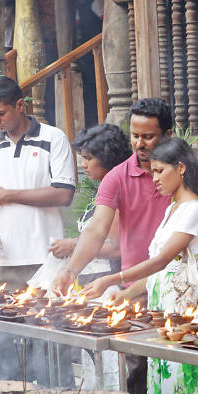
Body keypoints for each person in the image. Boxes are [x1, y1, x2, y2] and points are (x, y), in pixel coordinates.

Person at [51, 97, 175, 394]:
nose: (140, 144)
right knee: (135, 379)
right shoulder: (119, 175)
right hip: (135, 296)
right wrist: (71, 269)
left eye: (149, 136)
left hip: (179, 292)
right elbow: (96, 230)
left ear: (166, 135)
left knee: (178, 384)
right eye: (135, 135)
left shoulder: (182, 175)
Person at [80, 137, 198, 394]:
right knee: (163, 387)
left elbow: (163, 260)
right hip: (163, 312)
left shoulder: (194, 209)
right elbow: (161, 270)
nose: (153, 179)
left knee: (184, 389)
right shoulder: (172, 209)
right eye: (151, 172)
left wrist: (112, 279)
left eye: (159, 171)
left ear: (180, 168)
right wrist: (127, 293)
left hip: (185, 313)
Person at [0, 76, 75, 290]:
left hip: (46, 257)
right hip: (0, 260)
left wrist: (9, 195)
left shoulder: (54, 138)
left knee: (45, 321)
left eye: (1, 113)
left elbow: (64, 194)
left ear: (19, 105)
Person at [47, 123, 130, 288]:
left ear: (108, 157)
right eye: (82, 157)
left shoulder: (118, 192)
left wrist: (72, 245)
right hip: (91, 277)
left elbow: (117, 249)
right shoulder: (103, 190)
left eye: (89, 158)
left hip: (108, 281)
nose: (83, 164)